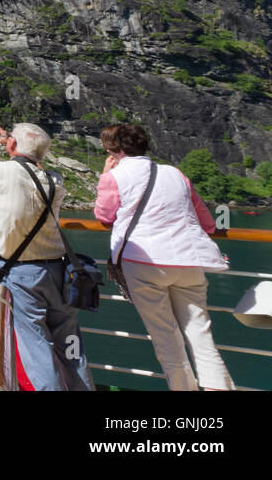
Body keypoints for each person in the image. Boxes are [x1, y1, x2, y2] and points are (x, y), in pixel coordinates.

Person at [0, 122, 94, 391]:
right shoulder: (54, 179)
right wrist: (11, 140)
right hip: (59, 272)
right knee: (71, 347)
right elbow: (30, 163)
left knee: (38, 349)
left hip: (21, 275)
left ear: (13, 144)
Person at [94, 123, 233, 391]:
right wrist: (211, 230)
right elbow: (204, 219)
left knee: (166, 336)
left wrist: (105, 175)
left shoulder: (114, 177)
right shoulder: (174, 173)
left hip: (144, 263)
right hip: (188, 260)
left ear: (115, 150)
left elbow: (104, 216)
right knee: (201, 334)